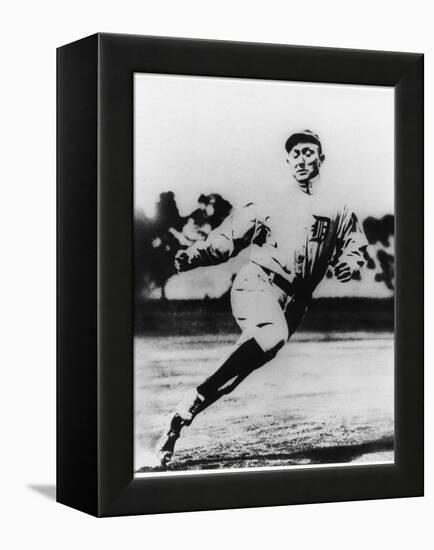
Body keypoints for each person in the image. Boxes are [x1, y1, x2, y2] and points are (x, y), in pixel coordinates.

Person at [155, 129, 368, 467]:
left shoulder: (338, 208)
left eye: (308, 152)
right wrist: (193, 256)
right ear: (288, 160)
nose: (301, 158)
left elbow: (355, 244)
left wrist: (350, 262)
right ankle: (191, 403)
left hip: (296, 302)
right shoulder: (270, 201)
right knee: (271, 336)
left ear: (321, 160)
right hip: (258, 284)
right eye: (295, 153)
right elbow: (227, 239)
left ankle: (185, 410)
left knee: (242, 370)